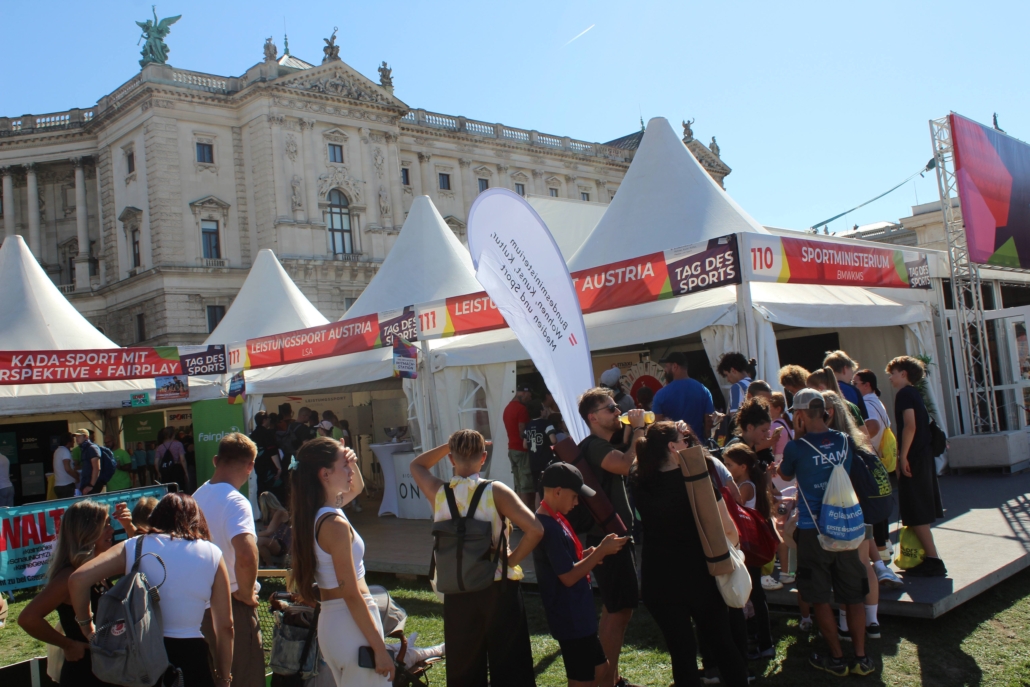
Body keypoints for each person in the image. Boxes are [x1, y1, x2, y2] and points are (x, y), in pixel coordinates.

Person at [410, 430, 543, 687]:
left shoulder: (439, 492)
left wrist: (449, 445)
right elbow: (536, 530)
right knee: (511, 667)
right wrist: (512, 559)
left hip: (457, 586)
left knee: (464, 669)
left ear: (451, 459)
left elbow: (417, 465)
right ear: (484, 458)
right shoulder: (496, 491)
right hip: (498, 586)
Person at [69, 493, 234, 687]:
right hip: (191, 656)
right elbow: (225, 626)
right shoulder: (212, 553)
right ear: (197, 519)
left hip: (141, 652)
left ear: (156, 516)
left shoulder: (134, 546)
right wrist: (224, 677)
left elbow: (78, 579)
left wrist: (87, 627)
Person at [631, 421, 749, 687]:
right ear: (673, 447)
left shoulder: (638, 481)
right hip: (699, 576)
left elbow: (638, 461)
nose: (687, 443)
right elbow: (729, 530)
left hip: (658, 577)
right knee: (723, 646)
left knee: (681, 654)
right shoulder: (697, 481)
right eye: (683, 440)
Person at [778, 389, 875, 677]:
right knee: (853, 596)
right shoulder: (844, 440)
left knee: (819, 596)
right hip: (844, 526)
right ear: (825, 411)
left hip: (813, 531)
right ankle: (861, 657)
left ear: (799, 415)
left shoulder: (796, 447)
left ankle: (836, 658)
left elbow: (785, 474)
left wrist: (799, 436)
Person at [291, 437, 395, 685]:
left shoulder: (315, 514)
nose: (350, 471)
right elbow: (350, 593)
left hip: (335, 624)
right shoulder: (333, 523)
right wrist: (379, 649)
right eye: (344, 466)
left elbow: (356, 488)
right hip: (351, 623)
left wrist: (350, 460)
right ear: (325, 474)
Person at [534, 463, 626, 687]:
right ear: (558, 491)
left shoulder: (555, 518)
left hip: (579, 614)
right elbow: (567, 576)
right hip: (570, 618)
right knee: (582, 679)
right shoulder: (548, 527)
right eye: (574, 496)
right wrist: (600, 552)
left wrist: (586, 555)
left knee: (600, 668)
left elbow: (563, 562)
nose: (577, 503)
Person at [576, 388, 644, 687]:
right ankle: (606, 682)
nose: (618, 412)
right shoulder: (594, 445)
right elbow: (627, 465)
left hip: (611, 536)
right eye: (611, 408)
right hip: (609, 538)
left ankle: (610, 678)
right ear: (593, 417)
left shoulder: (600, 444)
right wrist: (639, 429)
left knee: (615, 608)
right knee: (619, 611)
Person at [17, 499, 116, 687]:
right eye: (105, 526)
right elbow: (28, 618)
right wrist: (68, 644)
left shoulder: (94, 568)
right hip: (85, 673)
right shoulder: (69, 576)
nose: (111, 530)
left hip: (107, 669)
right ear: (86, 531)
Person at [193, 433, 265, 687]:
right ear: (250, 466)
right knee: (244, 678)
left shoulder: (195, 497)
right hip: (232, 604)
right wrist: (246, 593)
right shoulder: (236, 502)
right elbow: (246, 554)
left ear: (215, 460)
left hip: (197, 608)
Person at [887, 356, 946, 577]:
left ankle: (933, 558)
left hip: (915, 458)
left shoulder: (904, 394)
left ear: (904, 374)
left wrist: (902, 457)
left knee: (916, 509)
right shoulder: (914, 394)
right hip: (923, 456)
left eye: (893, 373)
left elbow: (909, 426)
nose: (890, 378)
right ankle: (928, 557)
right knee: (918, 508)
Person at [851, 369, 901, 572]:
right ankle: (884, 544)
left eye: (856, 383)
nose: (853, 387)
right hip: (880, 458)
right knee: (881, 502)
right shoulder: (876, 401)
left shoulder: (867, 403)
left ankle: (881, 548)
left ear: (867, 385)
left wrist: (858, 442)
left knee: (873, 505)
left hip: (873, 458)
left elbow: (873, 427)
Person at [652, 351, 715, 439]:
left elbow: (658, 426)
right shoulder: (703, 391)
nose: (665, 370)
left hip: (674, 445)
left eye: (666, 366)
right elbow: (709, 421)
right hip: (698, 444)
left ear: (675, 366)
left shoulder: (660, 395)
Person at [503, 386, 535, 510]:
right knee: (526, 486)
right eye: (529, 396)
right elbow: (522, 431)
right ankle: (527, 514)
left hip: (512, 449)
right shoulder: (522, 409)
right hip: (522, 450)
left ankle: (518, 513)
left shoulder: (507, 408)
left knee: (518, 485)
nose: (530, 399)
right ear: (522, 393)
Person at [824, 351, 867, 421]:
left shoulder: (821, 389)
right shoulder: (852, 390)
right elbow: (862, 420)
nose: (852, 375)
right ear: (845, 369)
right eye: (851, 370)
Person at [525, 400, 554, 494]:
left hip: (533, 462)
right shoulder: (547, 423)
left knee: (537, 490)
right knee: (548, 488)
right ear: (541, 411)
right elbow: (553, 440)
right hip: (546, 461)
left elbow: (524, 445)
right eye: (544, 409)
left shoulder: (528, 425)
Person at [257, 491, 292, 566]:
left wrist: (253, 534)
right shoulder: (273, 513)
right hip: (276, 542)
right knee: (256, 543)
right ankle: (262, 566)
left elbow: (269, 531)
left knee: (257, 541)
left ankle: (270, 566)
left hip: (283, 544)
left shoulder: (280, 512)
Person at [155, 427, 189, 492]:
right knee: (179, 489)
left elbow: (156, 462)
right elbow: (182, 459)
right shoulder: (178, 444)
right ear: (173, 435)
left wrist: (159, 473)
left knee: (168, 491)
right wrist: (186, 472)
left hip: (165, 471)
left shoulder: (159, 447)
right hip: (177, 469)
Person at [74, 429, 106, 496]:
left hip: (92, 486)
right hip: (87, 484)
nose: (77, 439)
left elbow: (97, 468)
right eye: (76, 437)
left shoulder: (92, 448)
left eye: (79, 436)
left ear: (86, 437)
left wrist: (91, 485)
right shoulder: (84, 449)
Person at [53, 433, 79, 499]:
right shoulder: (65, 451)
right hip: (66, 486)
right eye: (72, 440)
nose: (74, 442)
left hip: (59, 486)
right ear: (68, 442)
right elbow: (67, 469)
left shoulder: (57, 451)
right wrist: (77, 477)